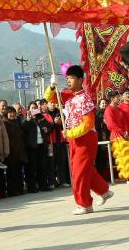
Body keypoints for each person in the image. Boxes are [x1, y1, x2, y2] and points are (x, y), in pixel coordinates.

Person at [46, 65, 112, 214]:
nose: (68, 81)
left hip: (86, 138)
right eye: (67, 78)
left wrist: (70, 133)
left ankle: (85, 204)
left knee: (79, 172)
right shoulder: (68, 95)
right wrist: (52, 86)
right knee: (83, 169)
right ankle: (104, 191)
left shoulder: (85, 99)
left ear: (80, 80)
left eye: (71, 78)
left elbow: (88, 124)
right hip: (74, 139)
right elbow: (50, 98)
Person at [22, 102, 53, 192]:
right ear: (28, 109)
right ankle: (32, 187)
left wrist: (47, 129)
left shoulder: (41, 118)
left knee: (42, 166)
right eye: (32, 108)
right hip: (32, 147)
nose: (33, 109)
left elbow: (49, 127)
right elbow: (23, 128)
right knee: (32, 168)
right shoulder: (26, 119)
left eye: (35, 108)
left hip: (42, 146)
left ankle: (43, 185)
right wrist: (28, 118)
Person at [2, 106, 27, 196]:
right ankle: (12, 190)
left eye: (13, 112)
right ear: (6, 114)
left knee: (19, 171)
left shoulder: (17, 122)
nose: (12, 114)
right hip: (10, 151)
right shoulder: (4, 123)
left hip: (19, 150)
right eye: (10, 113)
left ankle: (20, 189)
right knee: (11, 172)